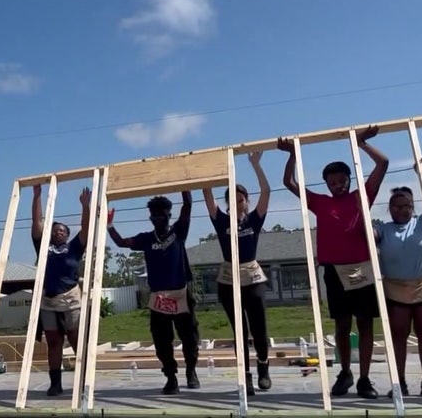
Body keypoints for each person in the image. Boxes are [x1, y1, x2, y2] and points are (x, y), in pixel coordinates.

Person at [277, 125, 388, 399]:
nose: (338, 185)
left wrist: (361, 143)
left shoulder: (361, 196)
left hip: (362, 268)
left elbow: (383, 163)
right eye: (333, 182)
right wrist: (291, 154)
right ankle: (345, 373)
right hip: (334, 271)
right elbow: (289, 183)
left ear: (349, 179)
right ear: (326, 184)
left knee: (365, 324)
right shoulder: (320, 203)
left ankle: (364, 379)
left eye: (342, 181)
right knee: (341, 325)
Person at [108, 192, 200, 395]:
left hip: (181, 293)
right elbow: (123, 243)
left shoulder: (178, 231)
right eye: (154, 215)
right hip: (159, 297)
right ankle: (171, 377)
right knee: (161, 340)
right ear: (150, 217)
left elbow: (187, 206)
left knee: (190, 337)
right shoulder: (146, 239)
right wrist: (109, 226)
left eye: (162, 214)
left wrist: (185, 184)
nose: (158, 218)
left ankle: (191, 372)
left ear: (169, 215)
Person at [202, 151, 272, 395]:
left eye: (241, 199)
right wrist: (209, 170)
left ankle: (263, 366)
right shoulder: (221, 221)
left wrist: (255, 165)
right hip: (228, 279)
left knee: (259, 329)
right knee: (239, 331)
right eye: (232, 199)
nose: (237, 203)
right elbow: (207, 194)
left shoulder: (254, 220)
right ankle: (246, 375)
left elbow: (266, 192)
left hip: (252, 277)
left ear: (246, 202)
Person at [375, 166, 422, 399]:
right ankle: (400, 382)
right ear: (390, 208)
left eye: (406, 206)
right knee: (398, 334)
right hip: (395, 286)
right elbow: (367, 234)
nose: (402, 210)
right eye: (397, 206)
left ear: (412, 207)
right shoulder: (384, 229)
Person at [31, 185, 91, 397]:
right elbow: (37, 224)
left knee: (76, 340)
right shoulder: (44, 247)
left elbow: (86, 228)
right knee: (54, 343)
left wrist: (85, 206)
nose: (58, 231)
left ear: (67, 234)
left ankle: (83, 382)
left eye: (62, 230)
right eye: (55, 229)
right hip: (49, 302)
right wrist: (37, 196)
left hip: (70, 300)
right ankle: (55, 383)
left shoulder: (74, 247)